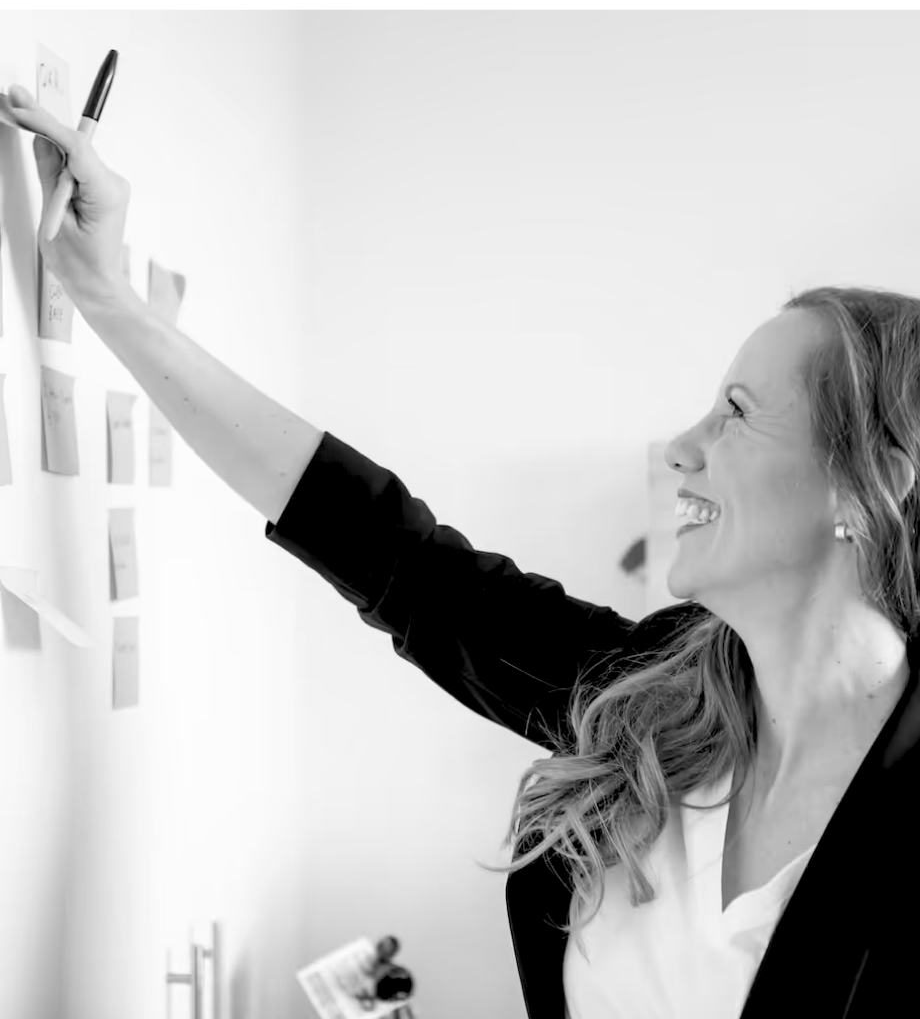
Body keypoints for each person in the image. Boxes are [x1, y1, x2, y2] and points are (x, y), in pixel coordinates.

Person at [6, 85, 920, 1019]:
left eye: (735, 413)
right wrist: (105, 295)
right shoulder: (663, 699)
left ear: (866, 486)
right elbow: (399, 557)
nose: (683, 446)